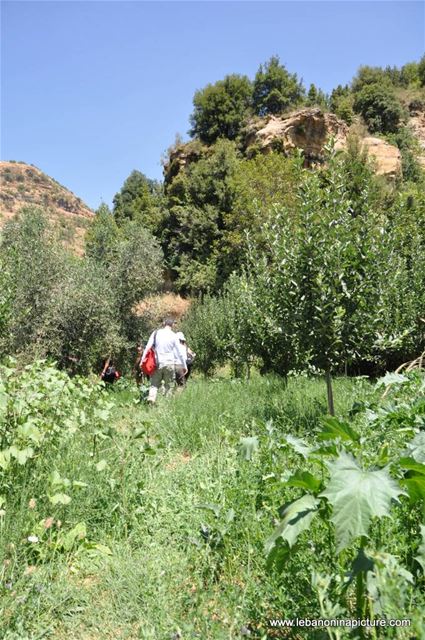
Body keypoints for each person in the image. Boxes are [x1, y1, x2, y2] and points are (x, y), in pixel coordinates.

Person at [141, 318, 187, 403]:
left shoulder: (156, 333)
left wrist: (142, 360)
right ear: (172, 325)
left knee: (154, 385)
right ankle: (166, 403)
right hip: (170, 363)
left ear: (163, 323)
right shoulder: (174, 335)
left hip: (157, 363)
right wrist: (184, 365)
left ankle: (151, 399)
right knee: (168, 385)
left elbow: (147, 347)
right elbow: (180, 353)